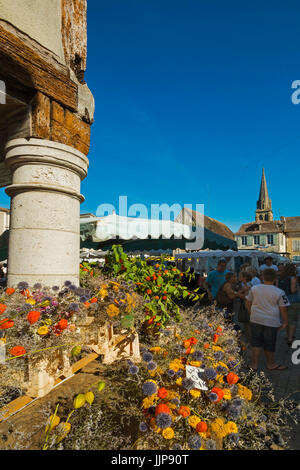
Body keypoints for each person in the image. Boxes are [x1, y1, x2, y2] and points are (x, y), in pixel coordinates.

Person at [246, 268, 289, 371]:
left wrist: (251, 313)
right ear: (275, 279)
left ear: (262, 277)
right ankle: (271, 364)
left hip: (256, 319)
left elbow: (248, 302)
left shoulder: (255, 288)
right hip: (271, 321)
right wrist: (285, 322)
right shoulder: (279, 292)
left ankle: (254, 364)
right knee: (270, 343)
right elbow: (283, 309)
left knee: (256, 342)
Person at [278, 264, 300, 346]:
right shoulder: (293, 278)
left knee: (286, 320)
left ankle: (288, 336)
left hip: (283, 301)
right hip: (293, 301)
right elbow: (293, 290)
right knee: (293, 321)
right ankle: (290, 338)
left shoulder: (281, 278)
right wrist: (298, 288)